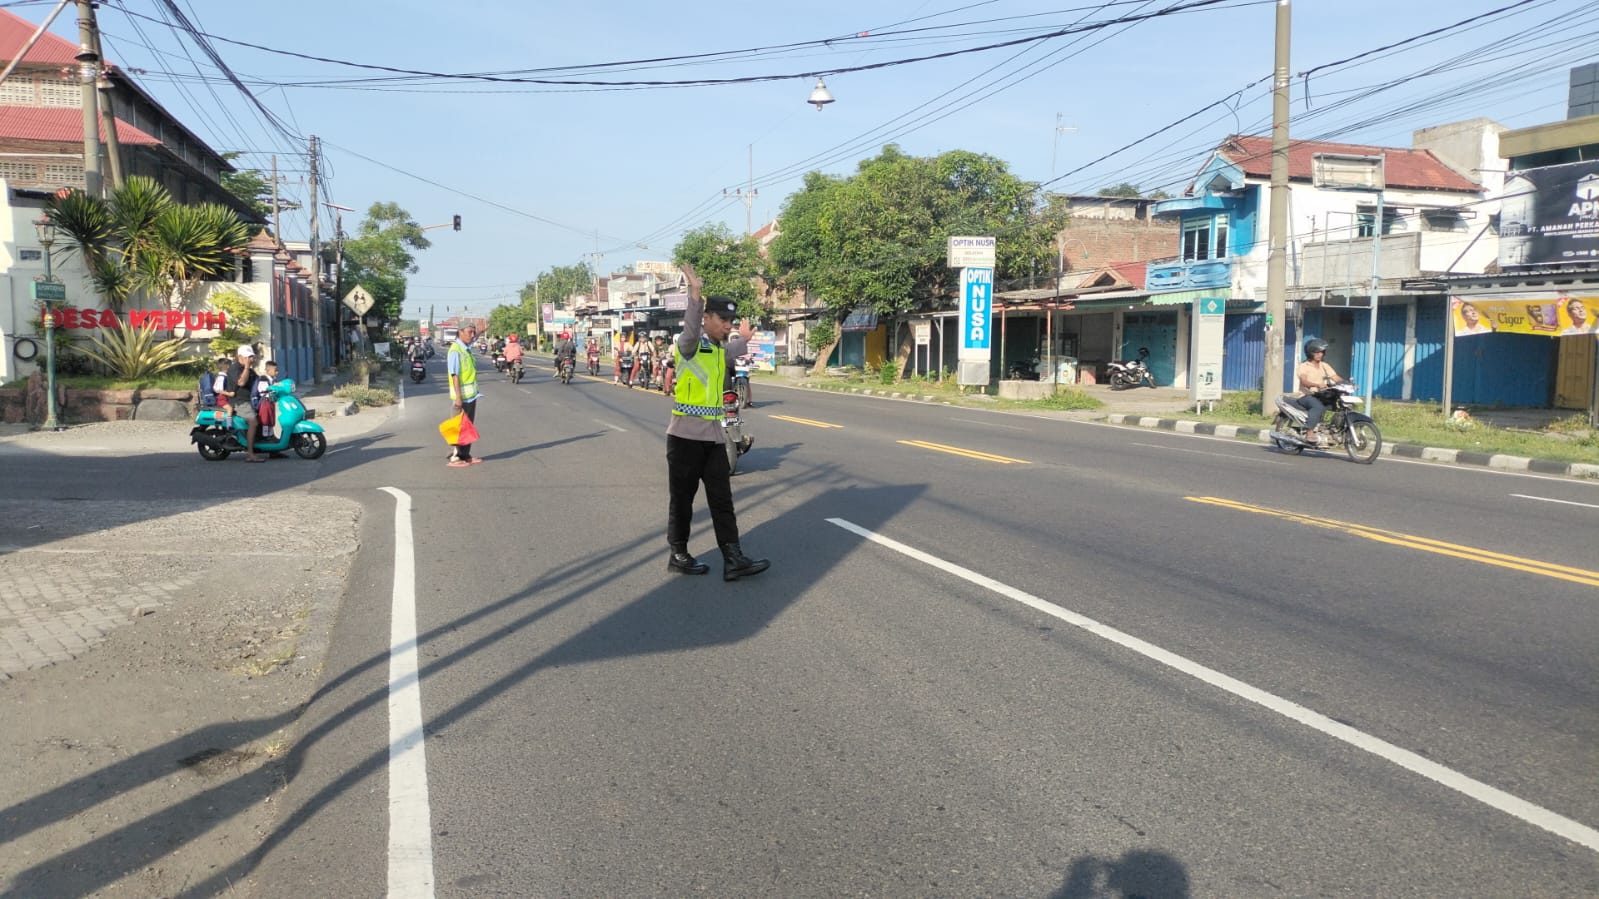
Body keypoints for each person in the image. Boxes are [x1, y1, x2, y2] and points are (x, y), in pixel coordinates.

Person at [665, 263, 769, 581]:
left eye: (730, 322)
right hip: (684, 438)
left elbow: (731, 350)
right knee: (682, 500)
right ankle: (679, 553)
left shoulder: (717, 350)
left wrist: (745, 339)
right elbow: (691, 329)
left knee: (722, 499)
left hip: (712, 440)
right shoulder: (689, 345)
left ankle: (732, 557)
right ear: (707, 317)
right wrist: (695, 295)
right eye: (723, 320)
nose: (728, 326)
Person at [1291, 338, 1347, 446]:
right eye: (1317, 352)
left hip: (1320, 394)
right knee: (1318, 407)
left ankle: (1332, 430)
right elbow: (1304, 381)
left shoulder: (1324, 365)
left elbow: (1335, 377)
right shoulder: (1303, 366)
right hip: (1306, 395)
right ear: (1311, 353)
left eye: (1322, 352)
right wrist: (1316, 385)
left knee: (1339, 406)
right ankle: (1309, 432)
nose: (1320, 354)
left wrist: (1346, 384)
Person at [447, 324, 483, 467]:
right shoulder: (456, 350)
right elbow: (455, 375)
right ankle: (455, 457)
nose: (472, 334)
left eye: (473, 332)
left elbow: (474, 339)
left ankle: (465, 455)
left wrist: (481, 331)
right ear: (460, 332)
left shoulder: (465, 348)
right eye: (469, 332)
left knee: (468, 427)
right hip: (461, 398)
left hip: (471, 396)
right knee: (458, 427)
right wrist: (458, 397)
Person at [221, 344, 265, 462]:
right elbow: (241, 382)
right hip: (240, 402)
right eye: (247, 357)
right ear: (240, 356)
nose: (250, 359)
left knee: (265, 416)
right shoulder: (235, 369)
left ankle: (269, 448)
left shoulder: (249, 369)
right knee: (253, 422)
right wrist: (246, 367)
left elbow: (259, 380)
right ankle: (250, 454)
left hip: (251, 400)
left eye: (251, 356)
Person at [253, 359, 279, 441]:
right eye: (275, 370)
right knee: (265, 420)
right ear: (268, 370)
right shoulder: (263, 379)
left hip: (270, 402)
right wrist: (273, 387)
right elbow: (263, 390)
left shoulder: (272, 380)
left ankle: (271, 435)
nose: (277, 372)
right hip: (265, 402)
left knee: (271, 419)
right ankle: (265, 436)